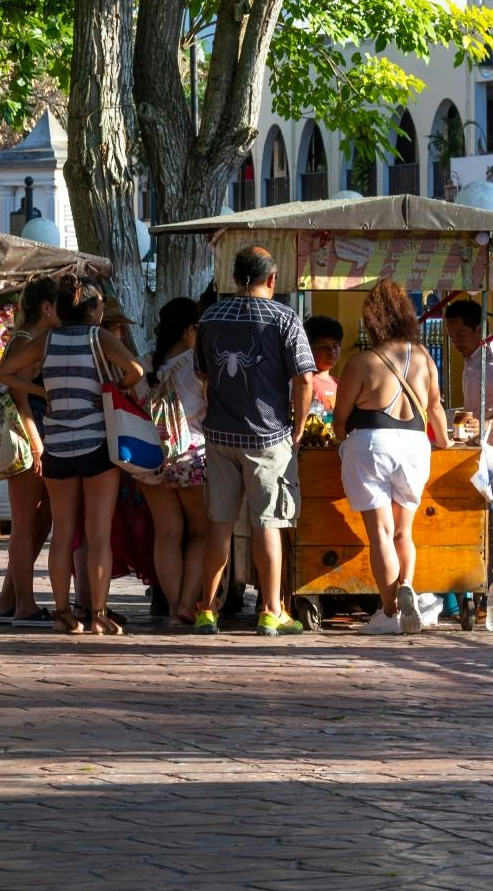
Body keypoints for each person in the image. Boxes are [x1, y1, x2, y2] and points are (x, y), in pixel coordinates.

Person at [192, 247, 316, 637]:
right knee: (269, 524)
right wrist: (296, 427)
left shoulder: (210, 317)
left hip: (219, 435)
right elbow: (306, 378)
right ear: (273, 279)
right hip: (268, 436)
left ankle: (206, 610)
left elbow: (202, 373)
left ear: (234, 277)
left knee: (219, 526)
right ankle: (270, 610)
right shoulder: (284, 318)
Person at [15, 278, 144, 636]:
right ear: (90, 309)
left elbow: (3, 372)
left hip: (57, 445)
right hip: (97, 444)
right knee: (97, 535)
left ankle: (62, 614)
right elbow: (136, 371)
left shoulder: (47, 341)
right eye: (100, 304)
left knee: (62, 533)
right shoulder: (98, 338)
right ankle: (98, 615)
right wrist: (116, 389)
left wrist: (41, 388)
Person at [332, 279, 448, 635]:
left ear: (371, 320)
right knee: (403, 532)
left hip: (371, 445)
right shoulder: (424, 358)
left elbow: (340, 418)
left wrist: (341, 444)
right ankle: (408, 583)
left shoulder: (362, 361)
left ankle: (388, 609)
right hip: (414, 446)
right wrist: (444, 441)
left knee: (380, 532)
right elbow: (435, 409)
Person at [0, 277, 61, 628]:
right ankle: (24, 605)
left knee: (38, 521)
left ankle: (9, 601)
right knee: (23, 524)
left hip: (34, 435)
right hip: (26, 436)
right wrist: (36, 442)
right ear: (46, 308)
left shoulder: (33, 339)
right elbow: (15, 392)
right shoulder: (27, 340)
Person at [444, 298, 493, 579]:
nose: (455, 342)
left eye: (461, 335)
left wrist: (482, 429)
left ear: (479, 329)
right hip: (483, 450)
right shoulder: (473, 359)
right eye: (451, 336)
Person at [143, 297, 210, 624]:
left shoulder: (146, 363)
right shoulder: (197, 364)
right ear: (188, 330)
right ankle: (186, 605)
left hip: (150, 459)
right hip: (191, 457)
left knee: (166, 533)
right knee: (201, 532)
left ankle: (171, 608)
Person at [303, 314, 345, 421]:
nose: (331, 351)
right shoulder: (304, 383)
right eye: (323, 346)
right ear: (308, 348)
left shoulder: (339, 384)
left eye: (335, 346)